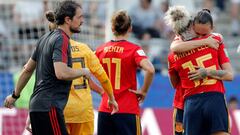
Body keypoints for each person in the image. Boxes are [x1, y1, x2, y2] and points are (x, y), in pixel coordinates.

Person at [4, 1, 118, 135]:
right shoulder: (62, 39)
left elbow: (27, 70)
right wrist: (84, 71)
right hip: (51, 106)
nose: (82, 21)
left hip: (37, 107)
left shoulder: (44, 39)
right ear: (68, 20)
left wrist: (14, 95)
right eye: (79, 17)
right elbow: (61, 73)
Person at [168, 8, 233, 135]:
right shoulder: (215, 40)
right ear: (192, 25)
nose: (201, 36)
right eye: (200, 33)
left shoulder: (173, 55)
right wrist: (205, 41)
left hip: (188, 102)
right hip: (213, 98)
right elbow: (230, 75)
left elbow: (174, 84)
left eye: (204, 34)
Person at [95, 10, 155, 135]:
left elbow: (85, 73)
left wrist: (100, 91)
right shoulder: (134, 49)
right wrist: (143, 91)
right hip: (127, 109)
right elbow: (150, 69)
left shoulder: (100, 49)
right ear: (130, 28)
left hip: (105, 109)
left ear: (112, 28)